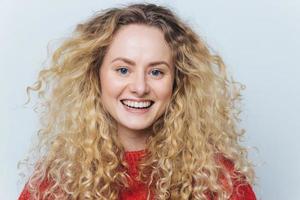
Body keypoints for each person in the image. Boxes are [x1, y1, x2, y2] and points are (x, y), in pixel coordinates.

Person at [18, 3, 256, 200]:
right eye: (123, 70)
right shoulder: (57, 180)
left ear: (177, 82)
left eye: (156, 72)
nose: (140, 87)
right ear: (95, 75)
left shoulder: (219, 180)